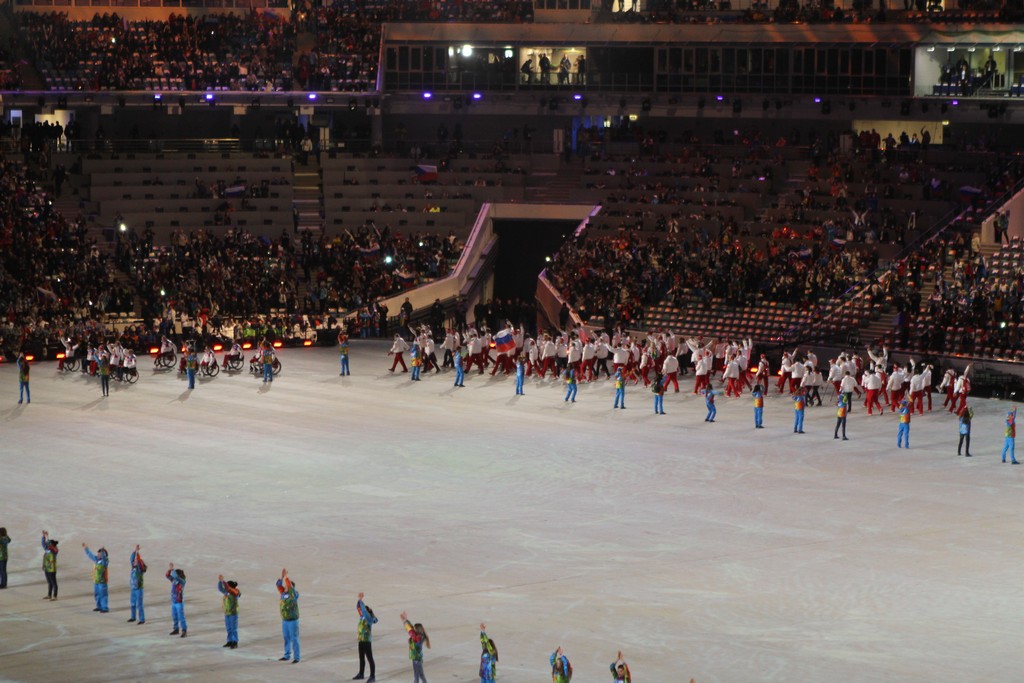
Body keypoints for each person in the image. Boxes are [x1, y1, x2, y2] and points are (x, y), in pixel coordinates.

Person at [400, 611, 430, 683]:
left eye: (415, 628)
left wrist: (405, 622)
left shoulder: (418, 637)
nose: (413, 629)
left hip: (417, 660)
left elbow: (411, 632)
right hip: (416, 659)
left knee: (417, 675)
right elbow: (411, 628)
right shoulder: (419, 635)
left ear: (417, 630)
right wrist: (406, 620)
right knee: (420, 675)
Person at [277, 568, 300, 663]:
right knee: (286, 638)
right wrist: (282, 577)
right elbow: (278, 585)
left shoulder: (293, 594)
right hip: (285, 620)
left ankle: (297, 657)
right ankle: (287, 655)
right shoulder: (283, 593)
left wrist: (286, 577)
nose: (285, 587)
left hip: (293, 621)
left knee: (294, 638)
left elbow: (290, 587)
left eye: (287, 586)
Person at [354, 591, 378, 680]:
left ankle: (372, 676)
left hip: (367, 641)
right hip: (361, 640)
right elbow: (358, 608)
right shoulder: (362, 617)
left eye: (363, 610)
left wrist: (360, 600)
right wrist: (358, 601)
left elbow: (363, 610)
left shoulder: (368, 618)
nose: (361, 611)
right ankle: (361, 673)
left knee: (370, 658)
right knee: (361, 657)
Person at [82, 543, 110, 613]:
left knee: (103, 595)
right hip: (96, 581)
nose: (98, 555)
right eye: (98, 554)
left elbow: (104, 559)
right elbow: (90, 555)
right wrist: (86, 548)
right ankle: (99, 606)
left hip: (102, 582)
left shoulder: (105, 562)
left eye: (99, 554)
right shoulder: (97, 560)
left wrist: (103, 552)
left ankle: (105, 608)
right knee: (97, 594)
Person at [218, 574, 241, 649]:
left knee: (233, 628)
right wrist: (220, 582)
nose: (225, 588)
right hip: (227, 613)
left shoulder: (235, 592)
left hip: (233, 613)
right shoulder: (227, 592)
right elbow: (220, 589)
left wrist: (223, 581)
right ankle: (230, 641)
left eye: (227, 586)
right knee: (229, 628)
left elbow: (228, 588)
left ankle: (235, 642)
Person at [166, 562, 187, 637]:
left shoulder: (182, 582)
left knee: (181, 617)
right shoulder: (174, 580)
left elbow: (175, 576)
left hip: (179, 602)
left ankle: (184, 630)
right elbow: (167, 575)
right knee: (174, 616)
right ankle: (176, 629)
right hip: (174, 601)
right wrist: (170, 570)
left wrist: (172, 569)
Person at [128, 545, 146, 623]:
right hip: (133, 589)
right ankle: (133, 617)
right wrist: (135, 551)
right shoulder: (133, 568)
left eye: (136, 561)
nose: (134, 562)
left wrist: (137, 552)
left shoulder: (139, 570)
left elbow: (137, 561)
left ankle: (142, 619)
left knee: (139, 604)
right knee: (132, 603)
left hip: (139, 589)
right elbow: (131, 559)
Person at [41, 531, 58, 600]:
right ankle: (49, 595)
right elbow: (43, 543)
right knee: (49, 582)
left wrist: (47, 537)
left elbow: (49, 544)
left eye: (49, 544)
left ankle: (55, 596)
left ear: (52, 545)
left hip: (52, 569)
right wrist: (44, 536)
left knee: (54, 583)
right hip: (47, 569)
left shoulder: (55, 551)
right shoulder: (47, 549)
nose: (48, 545)